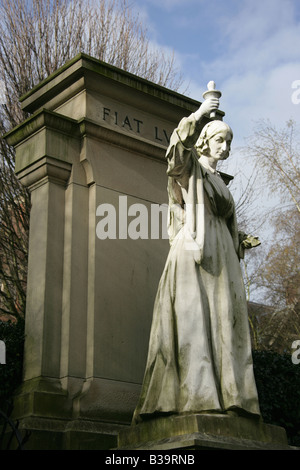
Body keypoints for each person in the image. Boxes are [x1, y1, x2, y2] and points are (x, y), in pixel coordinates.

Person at [132, 98, 261, 424]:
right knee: (195, 324)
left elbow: (221, 218)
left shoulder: (219, 180)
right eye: (219, 139)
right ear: (203, 140)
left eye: (229, 141)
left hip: (222, 256)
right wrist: (201, 115)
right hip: (194, 255)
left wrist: (239, 239)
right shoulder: (190, 167)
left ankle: (231, 398)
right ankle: (195, 398)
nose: (225, 146)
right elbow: (176, 151)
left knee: (224, 322)